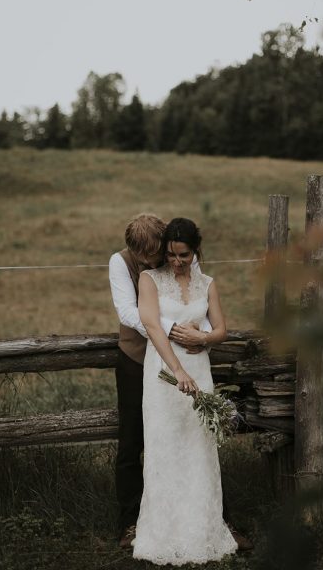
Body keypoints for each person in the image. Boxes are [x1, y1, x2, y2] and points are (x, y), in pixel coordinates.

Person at [132, 218, 238, 566]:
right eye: (172, 254)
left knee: (198, 449)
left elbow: (221, 329)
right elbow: (150, 324)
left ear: (196, 251)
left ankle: (201, 531)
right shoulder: (150, 280)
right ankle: (162, 534)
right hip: (164, 374)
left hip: (199, 373)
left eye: (185, 255)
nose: (177, 262)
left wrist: (203, 338)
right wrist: (175, 369)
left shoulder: (208, 283)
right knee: (165, 448)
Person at [109, 214, 210, 548]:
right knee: (132, 441)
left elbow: (198, 301)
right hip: (136, 360)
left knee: (186, 434)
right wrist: (169, 331)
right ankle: (129, 522)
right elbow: (127, 312)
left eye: (154, 256)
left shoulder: (177, 255)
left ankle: (201, 514)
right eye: (143, 257)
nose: (150, 263)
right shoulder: (120, 262)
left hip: (188, 360)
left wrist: (201, 334)